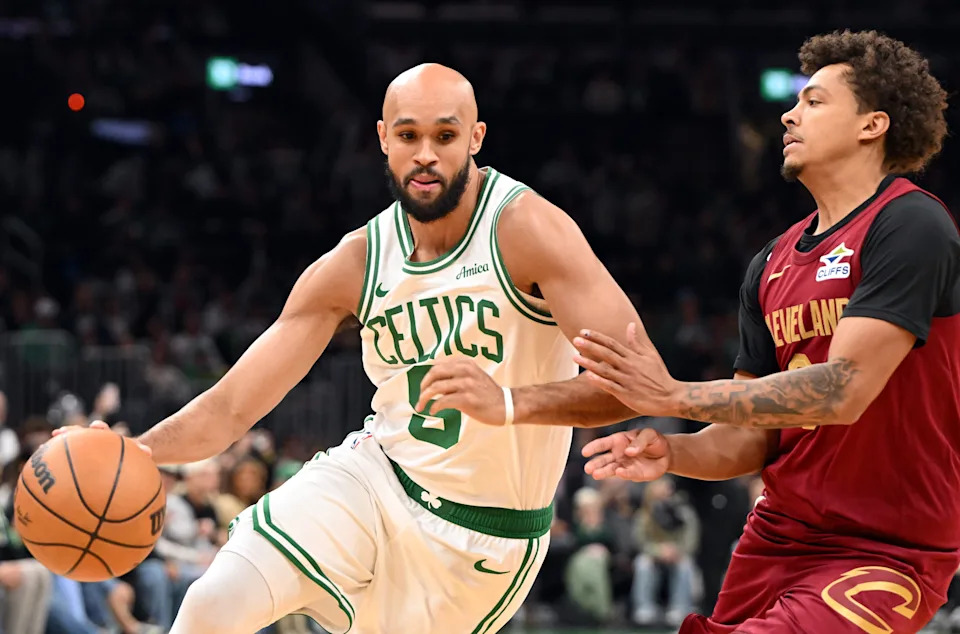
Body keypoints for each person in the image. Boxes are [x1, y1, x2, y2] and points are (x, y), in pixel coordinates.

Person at [57, 62, 644, 633]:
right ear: (383, 139)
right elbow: (232, 407)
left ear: (475, 138)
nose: (425, 154)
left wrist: (509, 403)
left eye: (445, 136)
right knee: (213, 603)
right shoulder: (357, 260)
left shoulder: (526, 229)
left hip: (482, 538)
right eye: (408, 136)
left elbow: (636, 383)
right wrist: (138, 449)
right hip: (373, 478)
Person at [564, 30, 960, 633]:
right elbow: (752, 439)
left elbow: (842, 390)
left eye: (814, 101)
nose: (789, 114)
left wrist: (674, 396)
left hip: (886, 545)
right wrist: (674, 452)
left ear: (872, 125)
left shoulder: (911, 223)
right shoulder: (770, 262)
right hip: (777, 533)